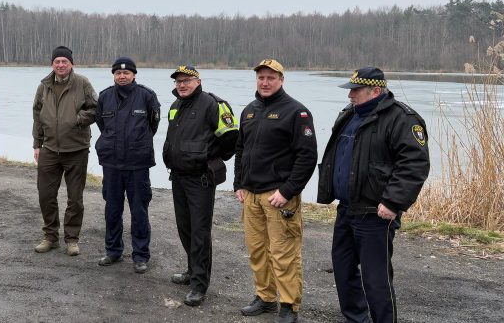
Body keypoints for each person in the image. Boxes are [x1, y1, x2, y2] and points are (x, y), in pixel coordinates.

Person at [317, 67, 429, 323]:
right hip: (346, 208)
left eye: (355, 90)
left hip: (375, 214)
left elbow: (414, 165)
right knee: (343, 271)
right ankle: (356, 319)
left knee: (376, 279)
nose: (350, 95)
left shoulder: (402, 119)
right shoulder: (349, 115)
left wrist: (392, 202)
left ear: (375, 91)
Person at [234, 59, 317, 323]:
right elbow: (241, 149)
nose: (265, 82)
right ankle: (266, 298)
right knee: (257, 250)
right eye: (261, 77)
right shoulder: (249, 111)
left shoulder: (296, 112)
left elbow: (307, 157)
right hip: (252, 195)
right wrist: (239, 183)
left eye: (271, 78)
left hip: (278, 197)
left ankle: (289, 306)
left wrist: (287, 191)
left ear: (282, 80)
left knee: (284, 254)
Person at [163, 65, 238, 307]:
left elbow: (231, 138)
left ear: (198, 81)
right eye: (178, 81)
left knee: (199, 233)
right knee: (185, 228)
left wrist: (210, 157)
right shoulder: (176, 106)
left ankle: (199, 285)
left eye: (187, 80)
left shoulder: (213, 104)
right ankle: (191, 270)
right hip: (179, 177)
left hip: (201, 179)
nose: (182, 84)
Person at [94, 57, 161, 274]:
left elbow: (153, 125)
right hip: (112, 163)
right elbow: (102, 124)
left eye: (126, 73)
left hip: (137, 164)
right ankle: (113, 251)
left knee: (139, 211)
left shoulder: (147, 96)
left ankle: (140, 255)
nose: (122, 76)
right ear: (113, 75)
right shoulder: (104, 96)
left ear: (134, 75)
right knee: (112, 210)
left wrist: (136, 143)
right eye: (118, 73)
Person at [32, 46, 98, 256]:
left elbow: (95, 109)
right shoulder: (44, 86)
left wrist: (77, 119)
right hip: (50, 148)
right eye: (57, 61)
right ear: (52, 64)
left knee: (75, 198)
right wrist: (37, 143)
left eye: (64, 61)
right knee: (45, 194)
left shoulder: (82, 83)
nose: (60, 65)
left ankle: (71, 239)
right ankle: (50, 237)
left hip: (76, 149)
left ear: (71, 64)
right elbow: (37, 115)